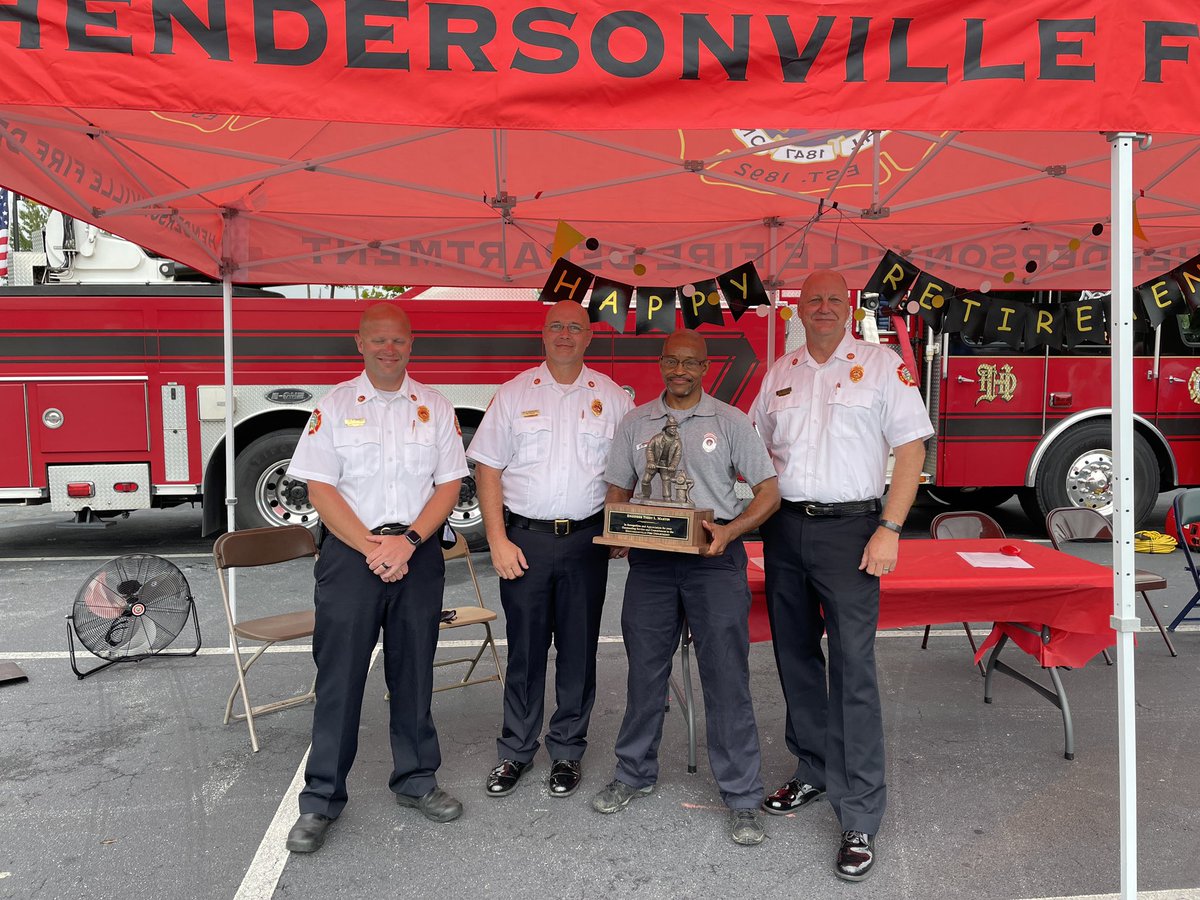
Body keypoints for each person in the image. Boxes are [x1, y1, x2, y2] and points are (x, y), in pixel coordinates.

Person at [750, 270, 934, 882]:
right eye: (814, 299)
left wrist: (891, 528)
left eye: (835, 298)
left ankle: (859, 812)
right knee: (795, 657)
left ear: (849, 306)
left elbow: (910, 449)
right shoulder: (781, 372)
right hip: (785, 530)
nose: (823, 307)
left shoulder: (882, 366)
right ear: (799, 308)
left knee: (853, 669)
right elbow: (754, 453)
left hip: (855, 532)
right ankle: (812, 770)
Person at [282, 302, 468, 853]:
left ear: (412, 344)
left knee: (413, 671)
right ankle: (320, 800)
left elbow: (449, 486)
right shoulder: (335, 406)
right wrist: (372, 547)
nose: (390, 349)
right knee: (339, 678)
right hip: (351, 556)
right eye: (378, 340)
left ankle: (416, 781)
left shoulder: (434, 408)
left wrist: (406, 543)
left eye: (399, 340)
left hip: (417, 553)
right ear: (359, 343)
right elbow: (320, 489)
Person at [591, 328, 780, 846]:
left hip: (714, 562)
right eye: (671, 362)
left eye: (690, 363)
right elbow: (617, 486)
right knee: (644, 674)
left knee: (726, 679)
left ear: (704, 367)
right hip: (651, 564)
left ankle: (741, 797)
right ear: (660, 364)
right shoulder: (636, 421)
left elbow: (768, 492)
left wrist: (732, 530)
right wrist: (617, 529)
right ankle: (633, 773)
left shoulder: (730, 421)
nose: (680, 371)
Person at [467, 300, 632, 799]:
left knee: (579, 652)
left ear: (588, 337)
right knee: (526, 651)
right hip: (525, 541)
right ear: (543, 334)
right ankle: (516, 751)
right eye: (557, 326)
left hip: (586, 540)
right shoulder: (514, 395)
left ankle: (567, 750)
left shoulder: (612, 398)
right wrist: (496, 540)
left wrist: (619, 527)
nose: (565, 334)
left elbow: (625, 473)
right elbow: (487, 470)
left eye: (575, 327)